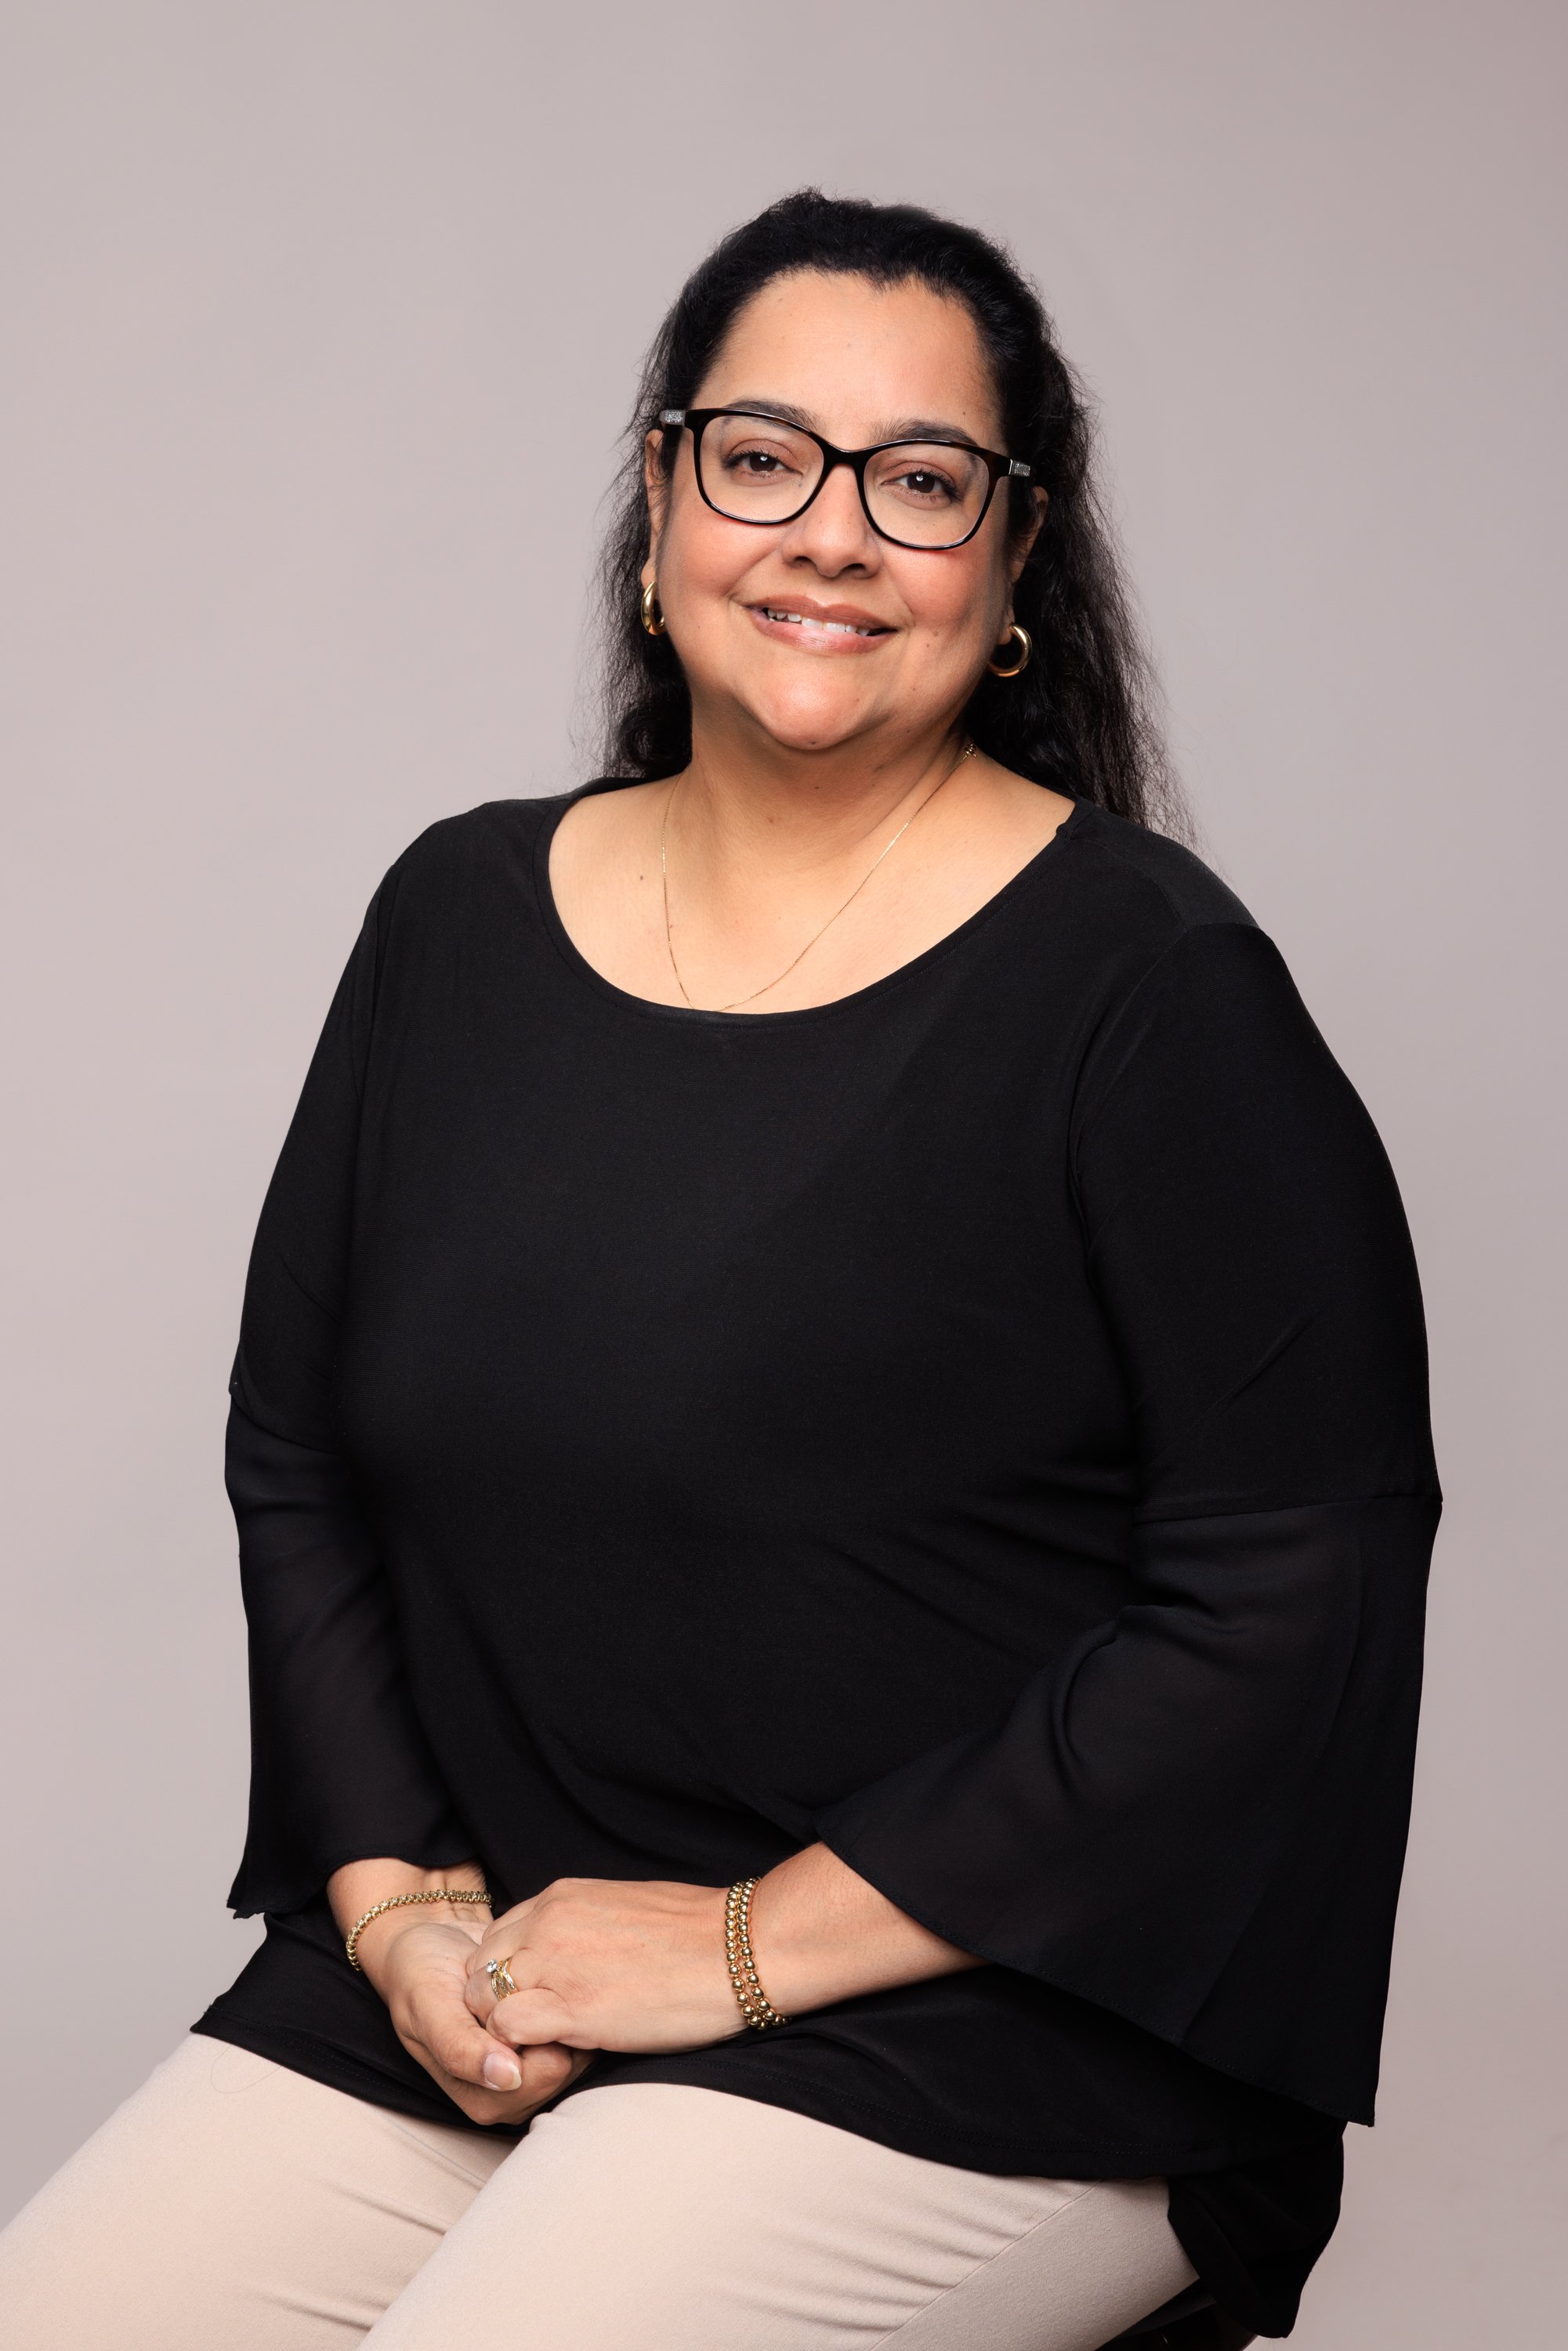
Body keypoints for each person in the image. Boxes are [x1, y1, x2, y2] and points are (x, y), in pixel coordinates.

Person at [0, 190, 1439, 2349]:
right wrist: (394, 1910)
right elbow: (296, 1453)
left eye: (920, 482)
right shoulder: (456, 921)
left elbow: (1285, 1597)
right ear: (659, 505)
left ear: (1012, 562)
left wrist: (746, 1946)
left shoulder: (1148, 989)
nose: (829, 535)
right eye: (761, 456)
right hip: (496, 1965)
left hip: (984, 2018)